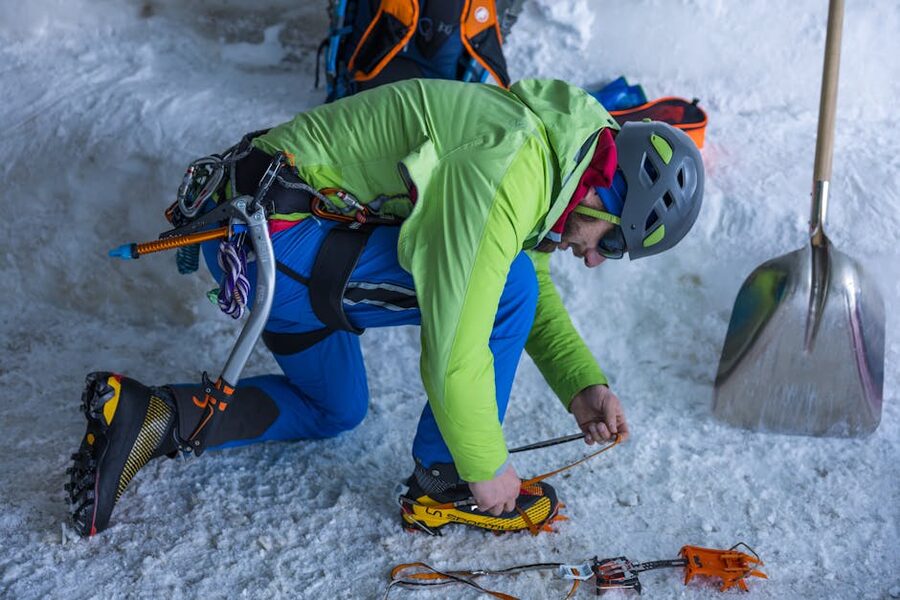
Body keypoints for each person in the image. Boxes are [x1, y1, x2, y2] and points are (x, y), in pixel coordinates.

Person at [65, 77, 704, 537]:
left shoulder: (546, 160)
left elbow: (526, 274)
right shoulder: (509, 168)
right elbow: (460, 345)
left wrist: (582, 384)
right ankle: (445, 480)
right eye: (612, 242)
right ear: (609, 190)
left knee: (335, 408)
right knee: (501, 285)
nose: (596, 259)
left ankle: (146, 416)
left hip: (265, 242)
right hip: (279, 244)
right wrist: (485, 467)